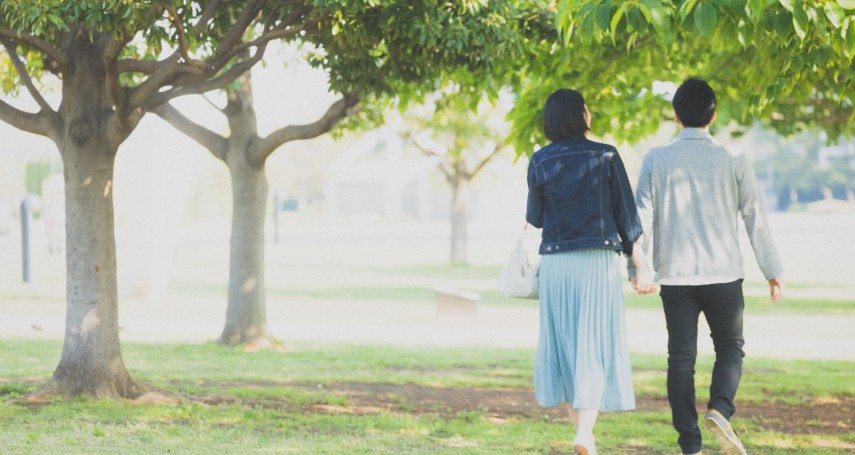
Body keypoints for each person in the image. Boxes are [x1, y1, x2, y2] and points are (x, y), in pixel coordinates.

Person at [628, 78, 784, 455]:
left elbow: (640, 219)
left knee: (680, 358)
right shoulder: (734, 158)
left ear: (676, 116)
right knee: (730, 347)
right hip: (723, 274)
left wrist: (638, 269)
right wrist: (772, 269)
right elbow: (754, 217)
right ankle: (721, 410)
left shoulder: (656, 158)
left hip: (676, 276)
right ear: (713, 115)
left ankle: (690, 444)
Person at [526, 88, 655, 455]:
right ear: (580, 115)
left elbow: (535, 218)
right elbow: (627, 216)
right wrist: (639, 264)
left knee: (565, 346)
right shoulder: (606, 155)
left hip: (555, 264)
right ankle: (585, 432)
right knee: (593, 345)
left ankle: (585, 434)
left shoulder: (539, 160)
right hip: (596, 262)